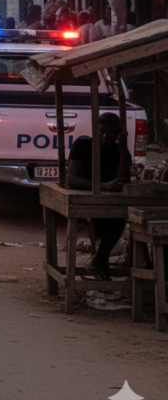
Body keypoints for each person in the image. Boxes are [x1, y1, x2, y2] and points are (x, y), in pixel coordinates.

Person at [66, 113, 131, 280]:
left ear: (118, 133)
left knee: (119, 219)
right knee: (113, 221)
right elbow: (72, 179)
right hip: (85, 199)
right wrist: (103, 186)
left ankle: (98, 263)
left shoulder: (120, 151)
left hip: (108, 202)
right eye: (101, 131)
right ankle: (99, 263)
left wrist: (123, 150)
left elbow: (123, 179)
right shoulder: (83, 144)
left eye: (110, 132)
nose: (104, 136)